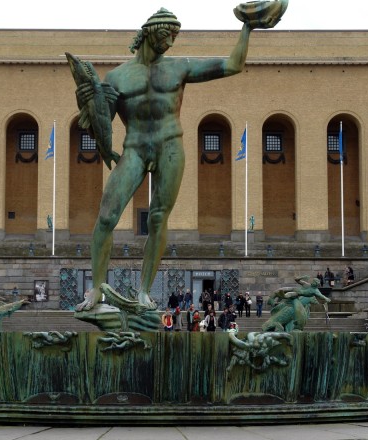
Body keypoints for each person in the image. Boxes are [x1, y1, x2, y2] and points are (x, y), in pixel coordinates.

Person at [72, 8, 265, 312]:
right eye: (166, 35)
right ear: (149, 32)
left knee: (158, 217)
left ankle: (144, 292)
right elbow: (102, 125)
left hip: (169, 145)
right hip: (134, 147)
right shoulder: (118, 77)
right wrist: (86, 100)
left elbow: (232, 65)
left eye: (174, 37)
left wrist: (247, 29)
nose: (170, 43)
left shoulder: (179, 68)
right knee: (107, 216)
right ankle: (96, 289)